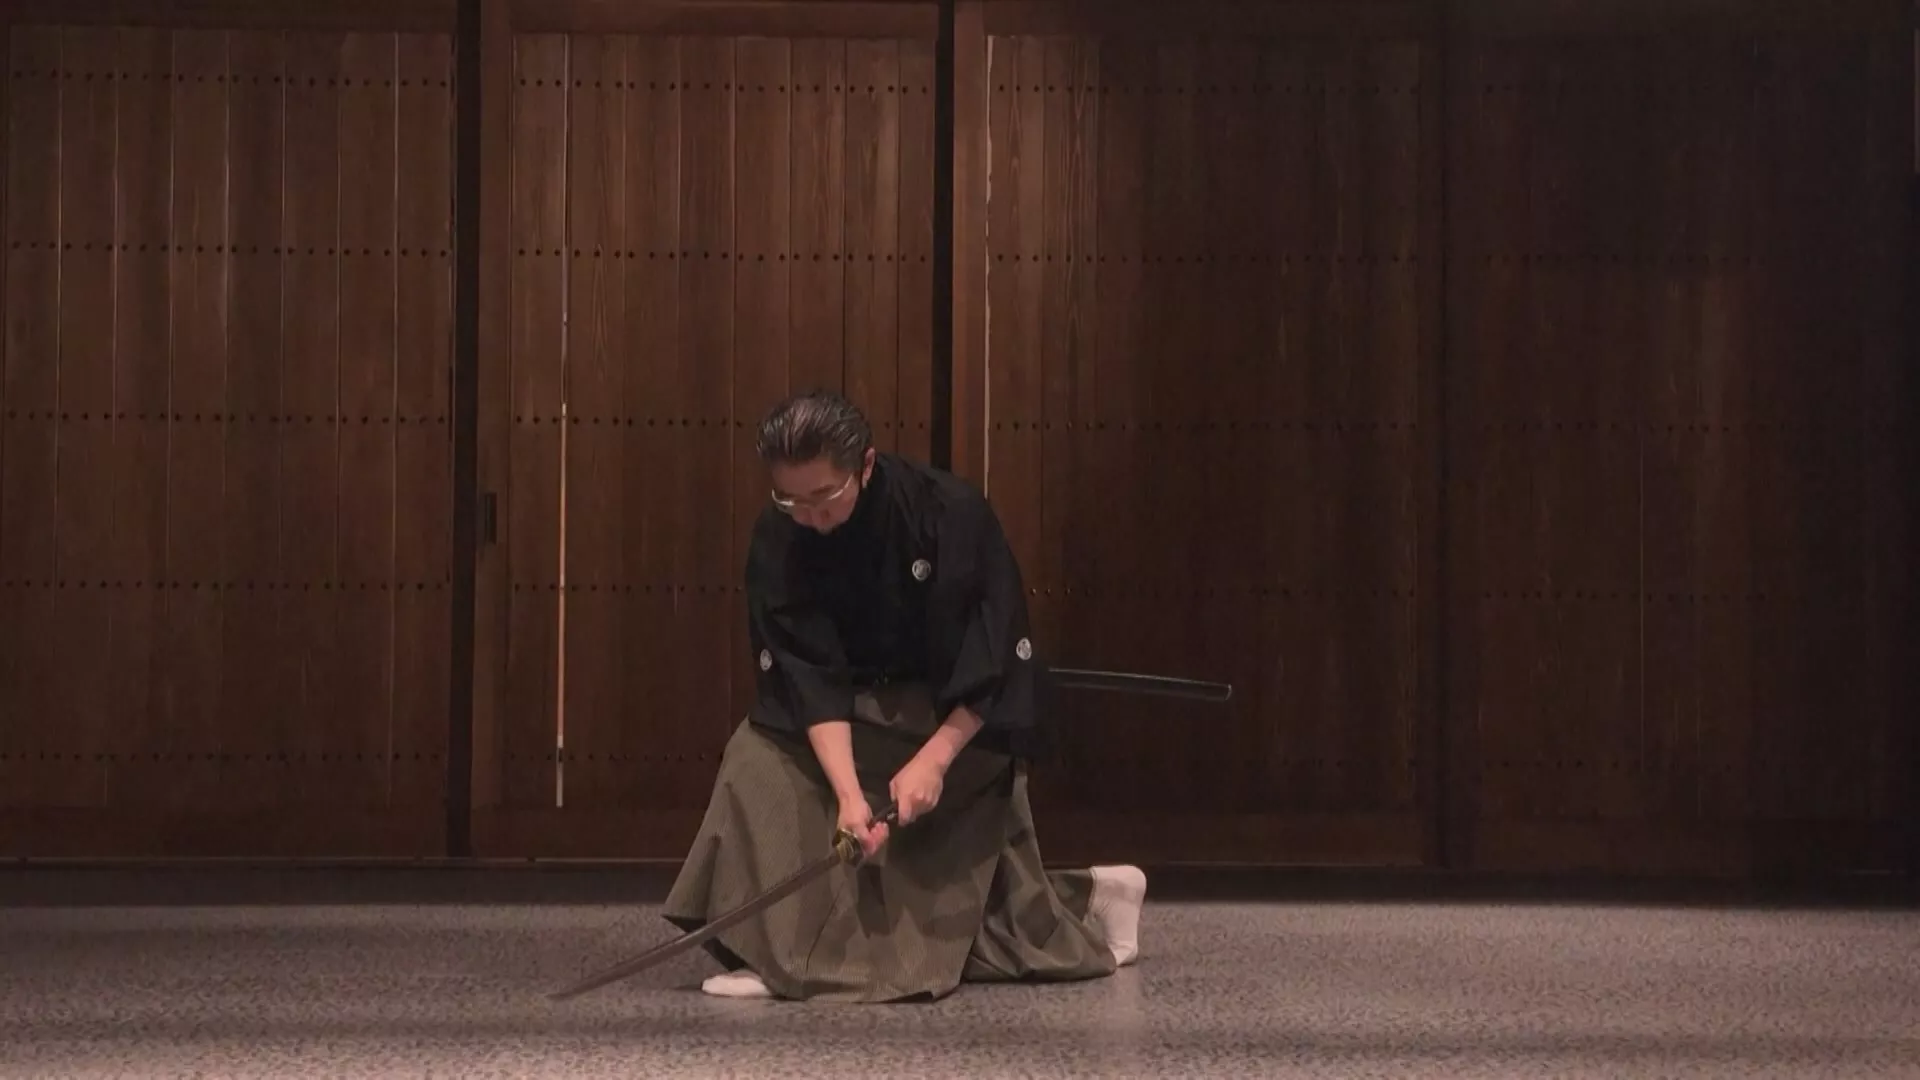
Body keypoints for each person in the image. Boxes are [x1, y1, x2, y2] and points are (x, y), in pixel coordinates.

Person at [659, 389, 1148, 1002]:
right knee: (757, 760)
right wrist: (846, 795)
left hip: (951, 720)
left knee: (953, 922)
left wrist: (934, 762)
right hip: (848, 712)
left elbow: (992, 659)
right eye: (791, 499)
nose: (809, 515)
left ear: (865, 465)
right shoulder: (780, 535)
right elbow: (808, 675)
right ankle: (775, 955)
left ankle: (1085, 897)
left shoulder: (948, 513)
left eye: (824, 496)